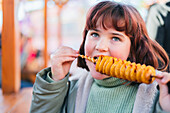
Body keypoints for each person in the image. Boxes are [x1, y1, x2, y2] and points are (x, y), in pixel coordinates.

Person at [30, 1, 170, 113]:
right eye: (95, 34)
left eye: (115, 38)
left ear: (132, 48)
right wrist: (54, 83)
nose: (100, 46)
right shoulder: (71, 90)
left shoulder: (156, 95)